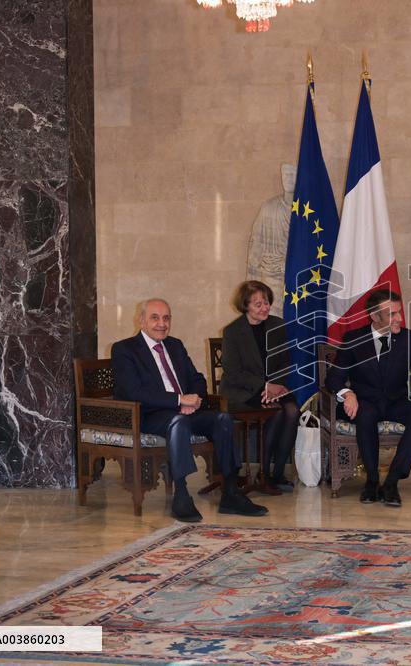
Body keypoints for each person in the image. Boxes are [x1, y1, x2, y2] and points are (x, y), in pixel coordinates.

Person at [111, 298, 268, 522]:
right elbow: (133, 391)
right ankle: (182, 495)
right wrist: (178, 401)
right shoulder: (125, 349)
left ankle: (231, 492)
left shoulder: (175, 345)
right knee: (178, 422)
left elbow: (196, 379)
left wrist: (194, 399)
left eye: (166, 318)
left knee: (223, 418)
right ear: (141, 320)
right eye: (154, 318)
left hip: (183, 411)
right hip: (147, 415)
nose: (161, 323)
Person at [324, 289, 411, 507]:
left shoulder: (408, 338)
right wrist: (347, 394)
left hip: (396, 402)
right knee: (365, 414)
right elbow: (335, 377)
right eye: (392, 314)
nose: (399, 319)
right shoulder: (354, 339)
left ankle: (392, 481)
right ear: (375, 317)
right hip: (365, 403)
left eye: (399, 313)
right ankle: (372, 481)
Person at [220, 280, 299, 494]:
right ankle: (262, 474)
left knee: (292, 411)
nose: (264, 308)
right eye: (257, 304)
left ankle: (278, 473)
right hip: (243, 392)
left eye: (266, 302)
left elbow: (284, 362)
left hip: (274, 386)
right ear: (245, 305)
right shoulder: (232, 332)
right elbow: (233, 372)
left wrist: (278, 385)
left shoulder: (277, 325)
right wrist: (265, 386)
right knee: (277, 412)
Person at [246, 163, 296, 317]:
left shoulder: (306, 211)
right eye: (285, 175)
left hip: (297, 278)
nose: (288, 179)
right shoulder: (269, 207)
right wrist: (250, 284)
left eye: (292, 176)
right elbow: (256, 244)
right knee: (272, 323)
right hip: (271, 275)